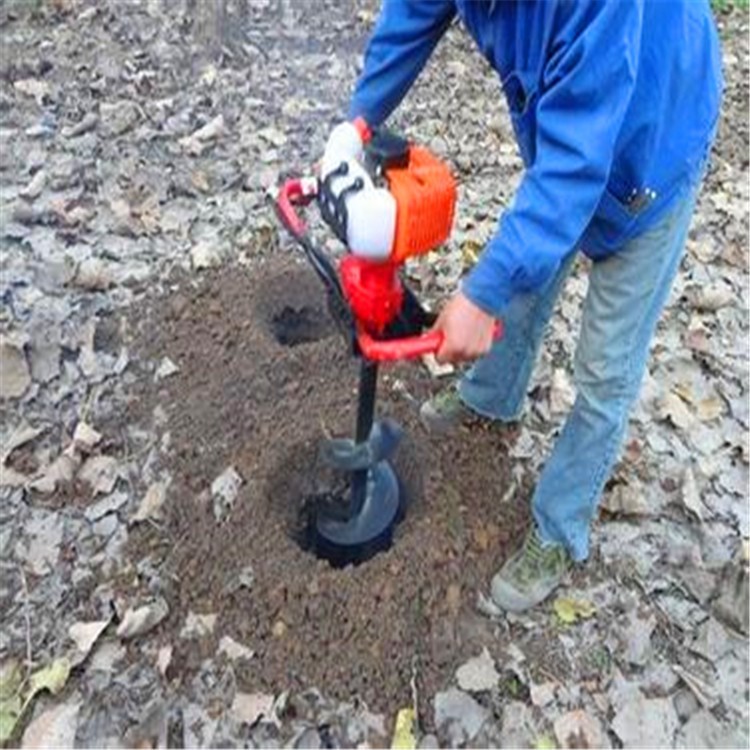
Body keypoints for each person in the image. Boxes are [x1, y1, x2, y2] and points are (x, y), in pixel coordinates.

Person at [325, 0, 722, 612]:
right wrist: (353, 126)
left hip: (655, 142)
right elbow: (410, 16)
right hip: (571, 127)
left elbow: (571, 172)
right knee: (525, 272)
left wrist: (480, 296)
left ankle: (561, 529)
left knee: (605, 364)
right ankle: (491, 396)